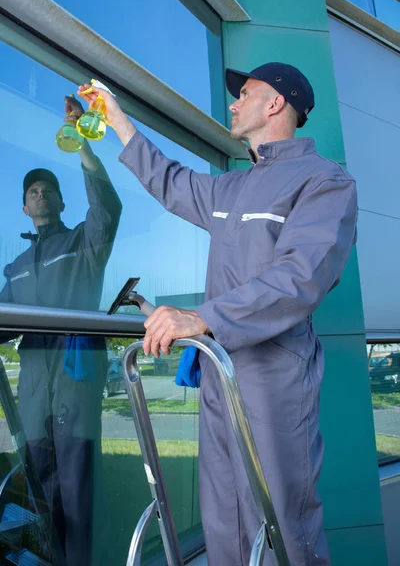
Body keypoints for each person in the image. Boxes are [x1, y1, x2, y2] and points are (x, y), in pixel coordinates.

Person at [79, 62, 357, 566]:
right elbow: (169, 182)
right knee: (223, 521)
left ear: (275, 103)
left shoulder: (325, 182)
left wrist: (201, 318)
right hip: (220, 374)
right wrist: (117, 119)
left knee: (281, 527)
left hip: (275, 380)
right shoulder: (231, 187)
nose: (233, 103)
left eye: (244, 93)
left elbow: (301, 278)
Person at [0, 95, 122, 565]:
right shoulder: (15, 269)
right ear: (24, 207)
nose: (40, 192)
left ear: (61, 198)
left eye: (48, 187)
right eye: (32, 190)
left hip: (75, 379)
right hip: (33, 388)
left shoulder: (81, 245)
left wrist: (83, 151)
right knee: (40, 485)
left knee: (78, 487)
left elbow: (107, 210)